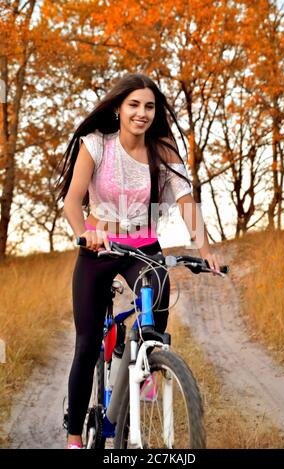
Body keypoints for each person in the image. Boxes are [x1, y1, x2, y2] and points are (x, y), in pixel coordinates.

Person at [55, 73, 220, 449]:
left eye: (149, 106)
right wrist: (86, 231)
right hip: (100, 248)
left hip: (144, 246)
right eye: (134, 105)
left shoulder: (163, 149)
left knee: (156, 310)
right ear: (118, 108)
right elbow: (72, 200)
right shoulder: (96, 144)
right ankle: (75, 436)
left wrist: (205, 248)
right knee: (85, 344)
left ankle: (143, 370)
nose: (142, 113)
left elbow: (184, 201)